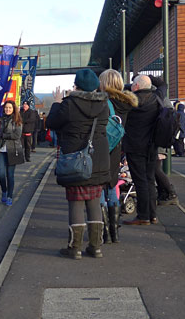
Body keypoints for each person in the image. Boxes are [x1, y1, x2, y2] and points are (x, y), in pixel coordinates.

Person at [47, 68, 110, 259]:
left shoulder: (69, 104)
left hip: (75, 158)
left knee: (76, 202)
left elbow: (51, 123)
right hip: (98, 158)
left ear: (76, 85)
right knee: (94, 202)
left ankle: (75, 249)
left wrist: (57, 103)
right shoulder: (104, 105)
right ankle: (96, 247)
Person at [98, 69, 137, 243]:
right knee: (112, 186)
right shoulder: (127, 103)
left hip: (101, 148)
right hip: (117, 149)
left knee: (99, 187)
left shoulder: (101, 101)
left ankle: (103, 231)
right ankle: (114, 233)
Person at [122, 75, 167, 226]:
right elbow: (162, 84)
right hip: (152, 146)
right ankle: (152, 215)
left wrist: (133, 83)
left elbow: (123, 88)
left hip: (134, 146)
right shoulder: (157, 97)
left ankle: (143, 216)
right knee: (149, 180)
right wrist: (149, 78)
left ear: (135, 87)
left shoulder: (129, 100)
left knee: (139, 181)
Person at [0, 100, 24, 205]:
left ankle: (10, 196)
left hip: (12, 150)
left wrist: (3, 135)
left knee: (10, 175)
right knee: (1, 174)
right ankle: (4, 191)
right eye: (6, 107)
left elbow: (17, 135)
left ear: (14, 109)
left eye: (10, 108)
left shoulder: (17, 120)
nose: (8, 109)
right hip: (1, 149)